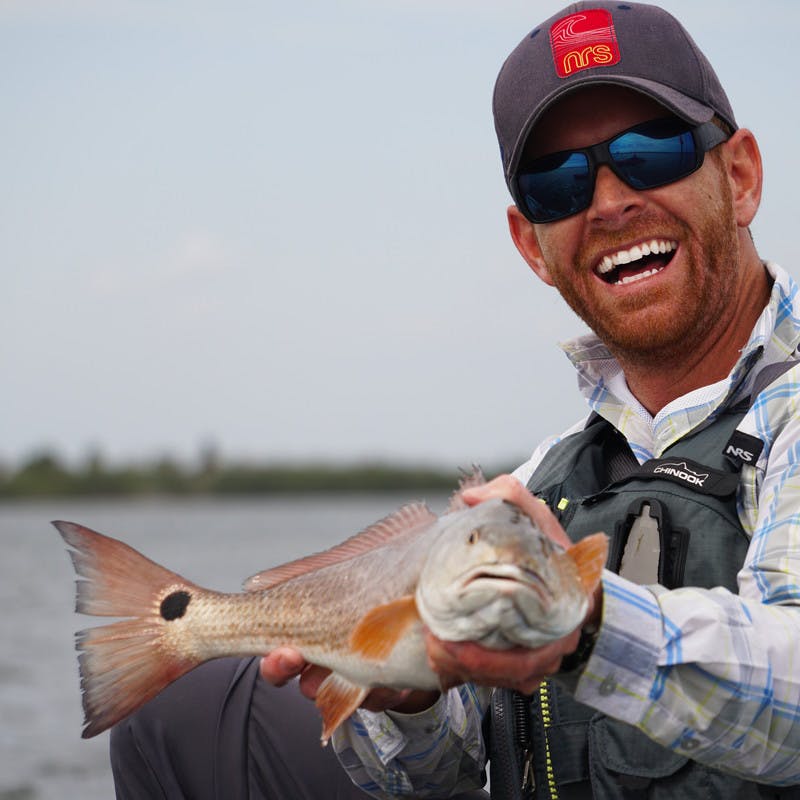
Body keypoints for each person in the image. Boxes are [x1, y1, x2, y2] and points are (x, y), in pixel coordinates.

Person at [110, 1, 800, 798]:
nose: (609, 202)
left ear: (741, 176)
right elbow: (437, 774)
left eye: (651, 152)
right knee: (181, 713)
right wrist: (403, 702)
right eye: (559, 182)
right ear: (530, 245)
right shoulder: (546, 481)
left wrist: (583, 625)